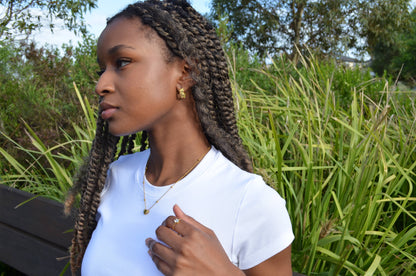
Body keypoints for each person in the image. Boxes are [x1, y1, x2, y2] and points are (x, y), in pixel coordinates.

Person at [64, 0, 294, 275]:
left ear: (184, 73)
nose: (101, 85)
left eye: (122, 62)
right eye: (103, 69)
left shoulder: (252, 204)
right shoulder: (114, 177)